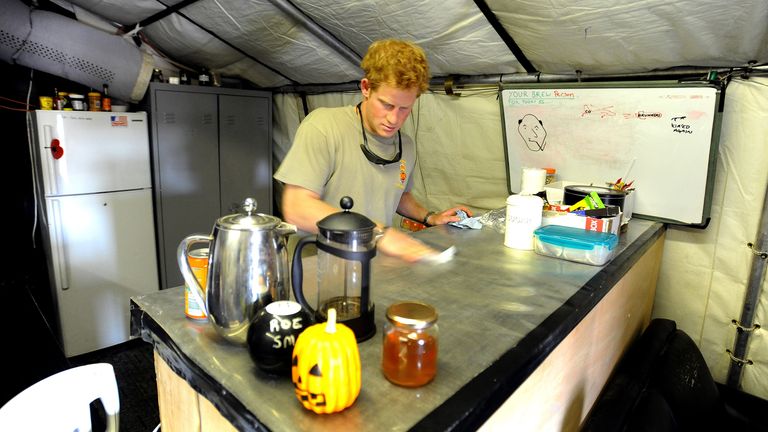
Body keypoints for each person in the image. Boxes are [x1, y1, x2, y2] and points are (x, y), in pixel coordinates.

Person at [274, 39, 471, 262]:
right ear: (366, 88)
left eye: (404, 109)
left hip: (372, 269)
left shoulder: (405, 145)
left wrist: (430, 217)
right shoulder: (323, 127)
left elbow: (398, 194)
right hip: (318, 270)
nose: (394, 119)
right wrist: (379, 234)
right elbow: (297, 206)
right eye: (386, 105)